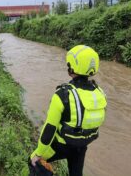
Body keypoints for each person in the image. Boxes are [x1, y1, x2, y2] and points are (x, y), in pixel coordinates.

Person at [30, 45, 107, 176]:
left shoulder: (62, 94)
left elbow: (49, 128)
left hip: (60, 146)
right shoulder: (100, 93)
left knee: (33, 161)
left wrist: (38, 153)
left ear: (72, 67)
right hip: (81, 146)